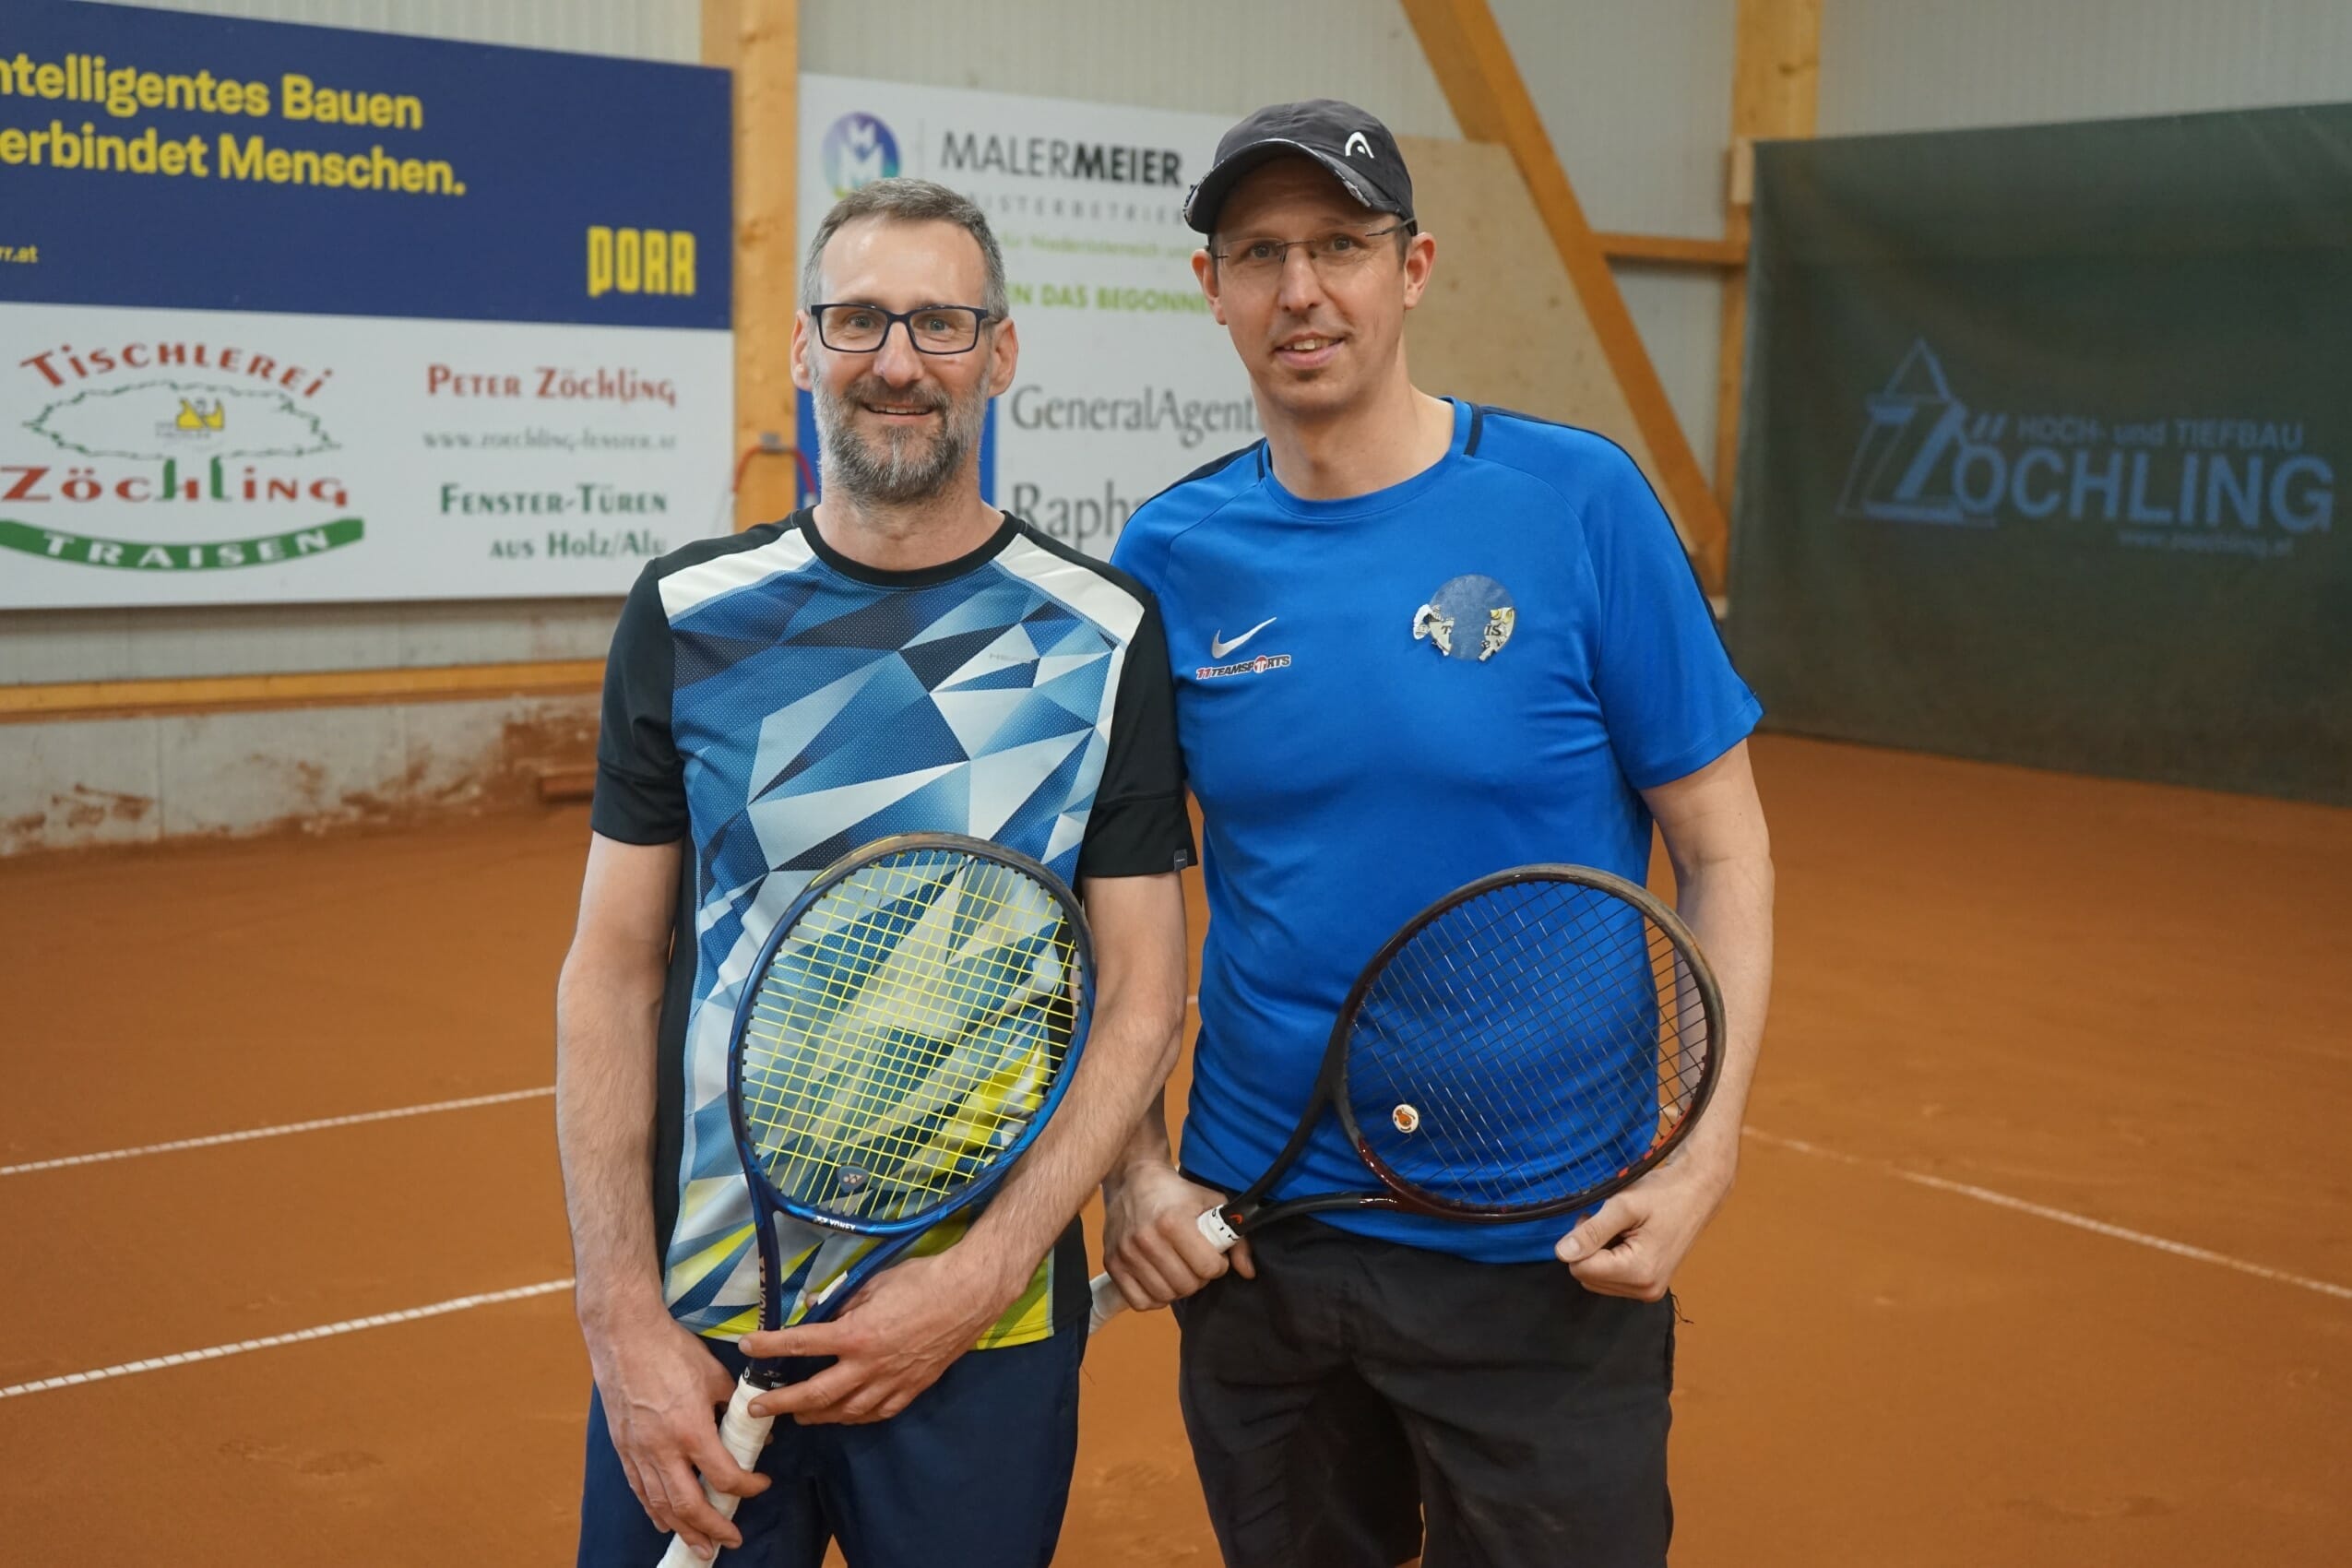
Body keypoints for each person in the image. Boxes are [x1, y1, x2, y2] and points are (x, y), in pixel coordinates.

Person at [1099, 101, 1776, 1568]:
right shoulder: (1165, 558)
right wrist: (1136, 1168)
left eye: (1338, 246)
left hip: (1542, 1252)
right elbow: (1124, 896)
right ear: (1210, 287)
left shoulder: (1577, 504)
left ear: (1410, 268)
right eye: (1258, 253)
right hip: (1263, 1243)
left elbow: (1724, 852)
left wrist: (1701, 1156)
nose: (1300, 291)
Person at [556, 176, 1193, 1567]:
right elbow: (611, 971)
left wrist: (980, 1276)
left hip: (981, 1331)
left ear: (999, 354)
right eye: (858, 320)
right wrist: (619, 1317)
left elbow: (1145, 997)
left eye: (940, 323)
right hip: (704, 1320)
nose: (898, 361)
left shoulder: (1106, 633)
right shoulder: (684, 615)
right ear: (804, 348)